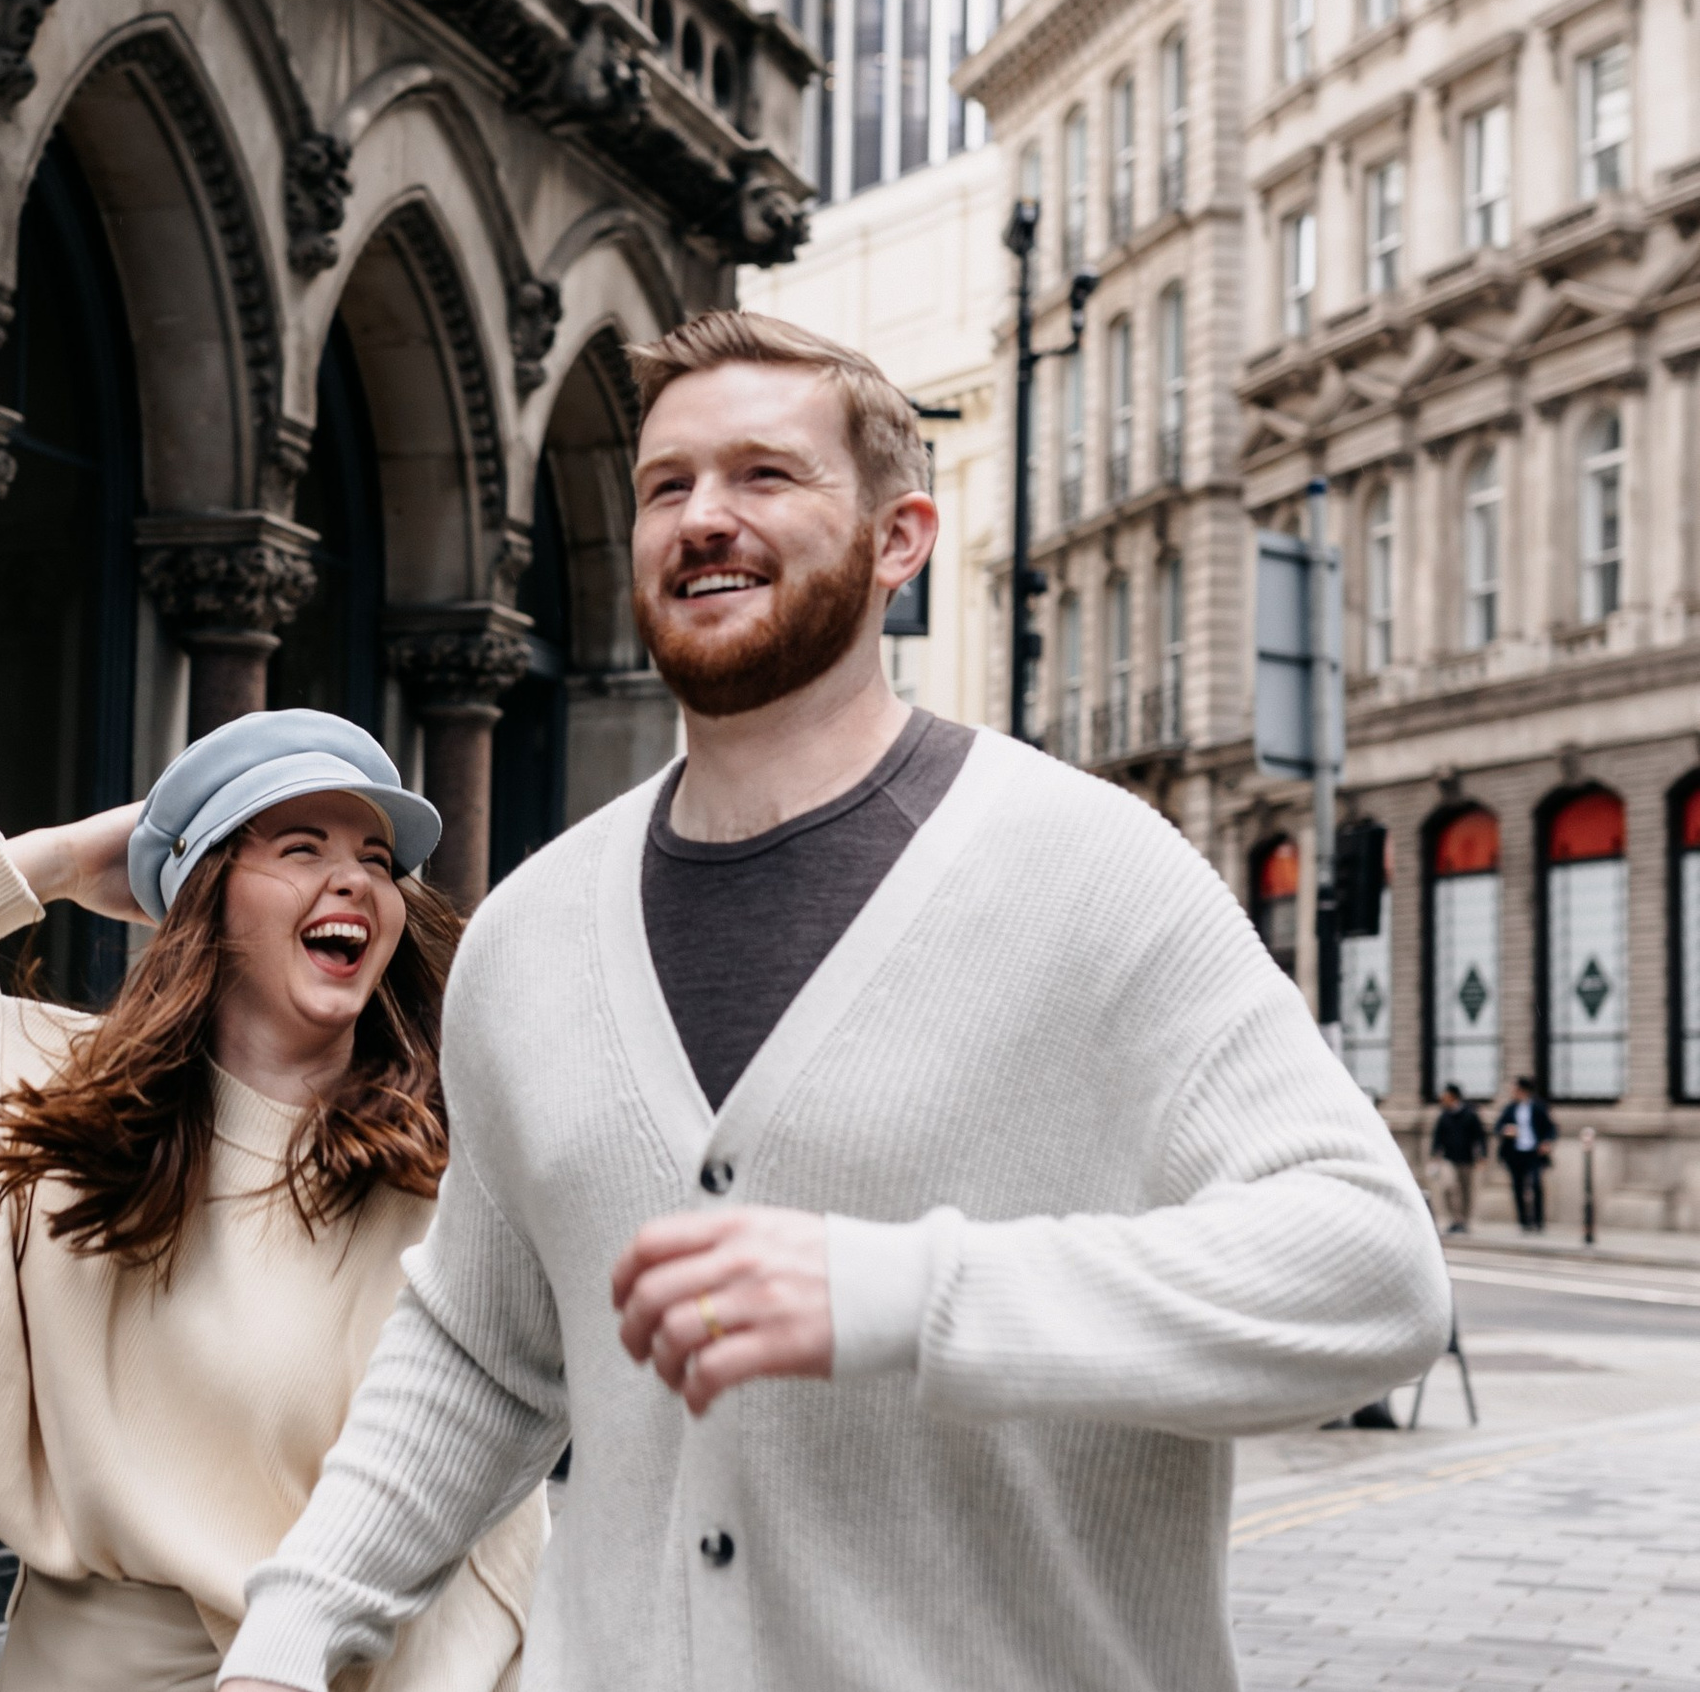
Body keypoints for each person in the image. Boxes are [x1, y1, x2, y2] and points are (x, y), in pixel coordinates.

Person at [218, 313, 1449, 1692]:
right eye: (667, 485)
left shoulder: (1094, 870)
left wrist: (903, 1293)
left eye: (764, 474)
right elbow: (478, 1355)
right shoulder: (526, 934)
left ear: (898, 540)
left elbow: (1372, 1274)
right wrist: (293, 1630)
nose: (704, 516)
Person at [0, 710, 541, 1692]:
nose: (355, 879)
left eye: (377, 859)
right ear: (208, 898)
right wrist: (68, 861)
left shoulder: (445, 1164)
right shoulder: (59, 1100)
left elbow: (488, 1524)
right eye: (300, 847)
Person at [1497, 1075, 1555, 1233]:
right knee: (1518, 1186)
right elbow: (1498, 1126)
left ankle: (1538, 1220)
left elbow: (1550, 1128)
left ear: (1523, 1090)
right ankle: (1523, 1221)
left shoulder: (1538, 1107)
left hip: (1534, 1152)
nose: (1512, 1092)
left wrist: (1546, 1142)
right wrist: (1506, 1130)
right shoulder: (1510, 1108)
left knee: (1535, 1184)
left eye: (1515, 1089)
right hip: (1515, 1152)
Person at [1430, 1083, 1488, 1234]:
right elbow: (1437, 1137)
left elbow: (1480, 1136)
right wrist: (1434, 1155)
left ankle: (1464, 1221)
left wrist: (1482, 1155)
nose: (1442, 1098)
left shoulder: (1470, 1114)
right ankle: (1455, 1219)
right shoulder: (1444, 1115)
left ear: (1453, 1096)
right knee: (1448, 1187)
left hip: (1466, 1159)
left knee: (1465, 1190)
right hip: (1448, 1158)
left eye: (1445, 1095)